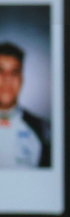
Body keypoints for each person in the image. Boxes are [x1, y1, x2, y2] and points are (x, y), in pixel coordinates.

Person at [0, 41, 51, 169]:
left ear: (22, 79)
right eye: (0, 71)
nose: (7, 78)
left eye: (14, 72)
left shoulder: (42, 131)